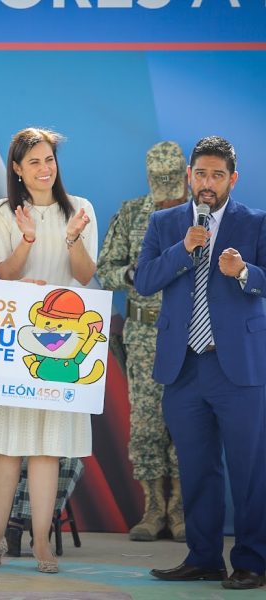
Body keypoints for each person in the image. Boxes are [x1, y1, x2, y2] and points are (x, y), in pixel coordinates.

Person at [135, 136, 266, 590]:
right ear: (190, 175)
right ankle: (204, 557)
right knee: (196, 468)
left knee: (250, 469)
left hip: (239, 369)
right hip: (184, 368)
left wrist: (244, 272)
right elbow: (144, 280)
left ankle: (252, 561)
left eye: (218, 175)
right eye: (202, 174)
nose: (208, 183)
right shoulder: (164, 222)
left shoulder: (256, 222)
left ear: (233, 179)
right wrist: (181, 250)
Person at [0, 127, 98, 574]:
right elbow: (1, 274)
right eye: (34, 162)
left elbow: (84, 275)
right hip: (16, 340)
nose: (45, 169)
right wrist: (26, 240)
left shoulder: (80, 209)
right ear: (17, 169)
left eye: (49, 160)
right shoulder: (2, 211)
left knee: (48, 450)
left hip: (63, 346)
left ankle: (42, 542)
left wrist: (72, 238)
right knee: (7, 448)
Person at [97, 141, 188, 543]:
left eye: (174, 185)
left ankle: (180, 510)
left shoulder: (204, 216)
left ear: (186, 176)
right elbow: (105, 270)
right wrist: (133, 275)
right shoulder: (133, 213)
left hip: (191, 336)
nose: (167, 195)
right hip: (143, 335)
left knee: (188, 425)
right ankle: (153, 509)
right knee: (147, 424)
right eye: (160, 186)